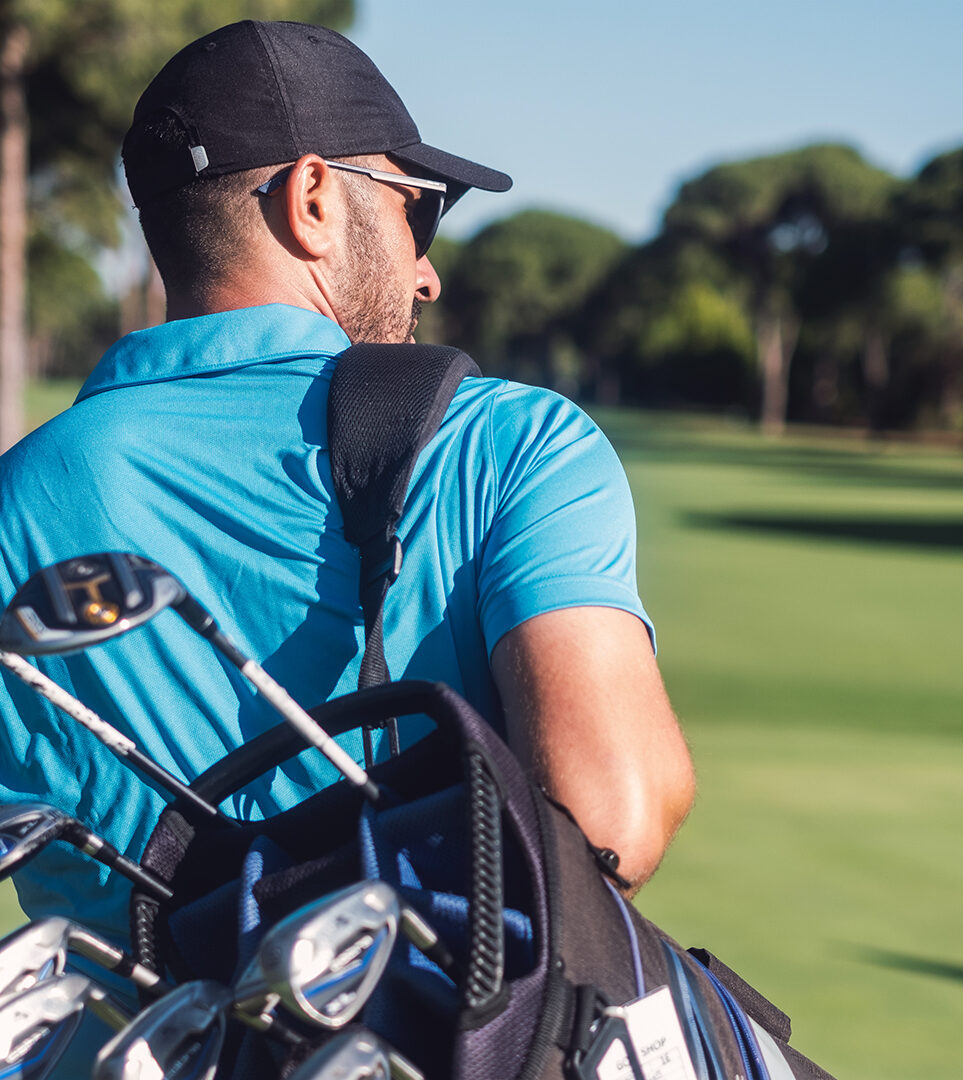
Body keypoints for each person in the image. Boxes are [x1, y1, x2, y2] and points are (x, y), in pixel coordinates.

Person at [0, 19, 693, 971]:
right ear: (314, 197)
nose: (427, 271)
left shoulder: (16, 498)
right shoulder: (510, 442)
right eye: (419, 208)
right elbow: (613, 824)